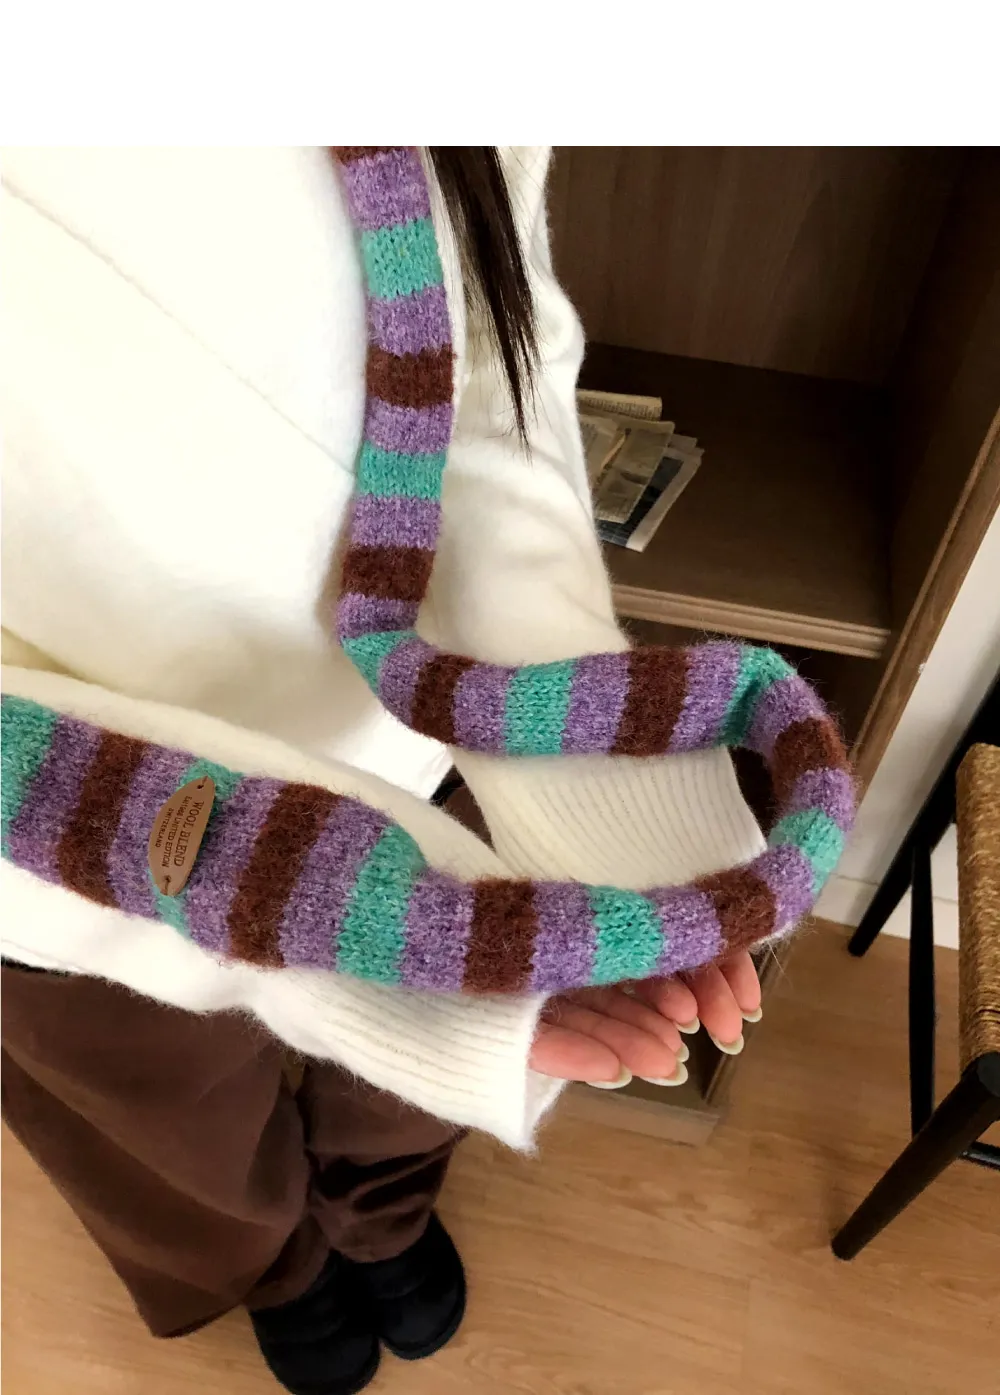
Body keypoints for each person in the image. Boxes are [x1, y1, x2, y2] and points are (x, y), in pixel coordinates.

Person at [2, 147, 780, 1395]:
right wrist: (310, 912)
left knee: (425, 1077)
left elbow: (486, 356)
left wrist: (599, 779)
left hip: (424, 740)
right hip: (58, 885)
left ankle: (382, 1212)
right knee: (171, 1132)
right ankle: (275, 1270)